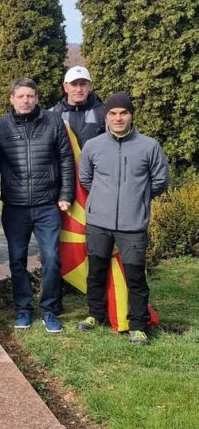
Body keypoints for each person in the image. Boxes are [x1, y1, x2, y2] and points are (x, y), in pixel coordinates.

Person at [78, 93, 169, 344]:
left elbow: (160, 180)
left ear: (131, 115)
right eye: (113, 114)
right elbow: (85, 178)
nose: (118, 118)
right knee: (96, 271)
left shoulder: (149, 146)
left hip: (133, 224)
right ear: (106, 116)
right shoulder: (93, 146)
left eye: (123, 113)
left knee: (135, 275)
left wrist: (137, 197)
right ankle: (95, 314)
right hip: (98, 222)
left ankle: (137, 324)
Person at [0, 78, 74, 333]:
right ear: (12, 99)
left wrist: (66, 193)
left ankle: (49, 309)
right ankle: (23, 309)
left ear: (37, 97)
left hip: (47, 204)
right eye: (20, 96)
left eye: (30, 96)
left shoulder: (53, 121)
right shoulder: (1, 126)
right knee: (17, 259)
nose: (25, 100)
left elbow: (66, 159)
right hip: (15, 206)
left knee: (51, 257)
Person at [51, 66, 106, 149]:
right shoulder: (53, 115)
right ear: (65, 87)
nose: (79, 89)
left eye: (83, 84)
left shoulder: (103, 114)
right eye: (74, 84)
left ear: (89, 86)